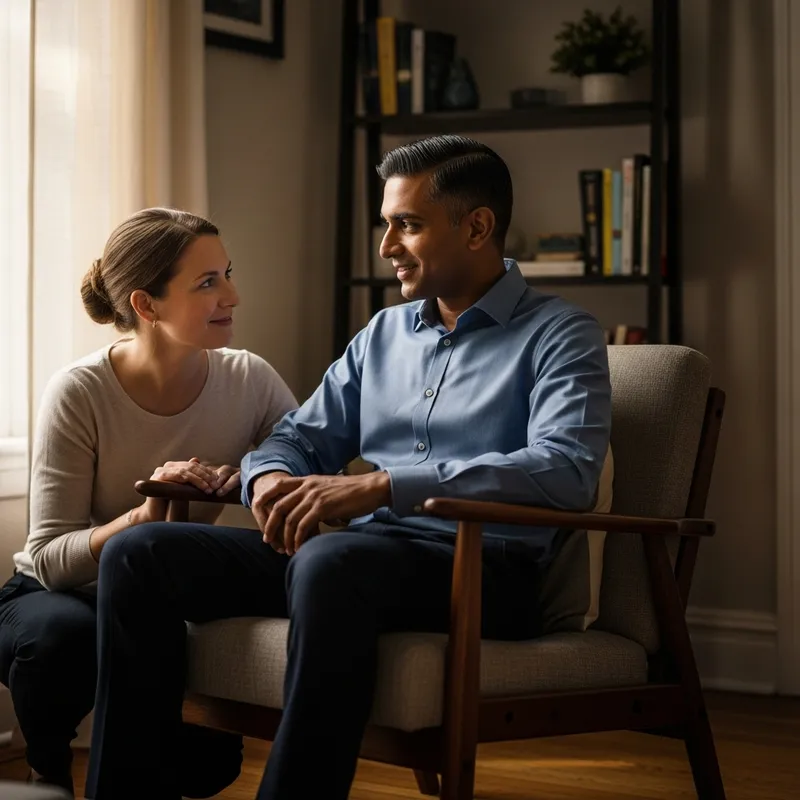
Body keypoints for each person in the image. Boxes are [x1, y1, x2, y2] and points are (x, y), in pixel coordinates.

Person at [84, 135, 612, 800]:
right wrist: (271, 478)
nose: (387, 246)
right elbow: (294, 438)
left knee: (329, 562)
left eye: (408, 225)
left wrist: (385, 486)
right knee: (139, 553)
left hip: (484, 575)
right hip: (356, 561)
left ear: (478, 227)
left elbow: (566, 470)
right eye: (386, 224)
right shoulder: (383, 336)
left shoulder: (561, 335)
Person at [0, 208, 298, 797]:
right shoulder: (80, 390)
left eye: (227, 273)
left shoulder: (250, 379)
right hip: (58, 595)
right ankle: (48, 771)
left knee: (208, 769)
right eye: (207, 282)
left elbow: (314, 476)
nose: (232, 295)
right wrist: (142, 518)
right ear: (147, 304)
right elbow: (51, 559)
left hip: (163, 595)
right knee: (61, 641)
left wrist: (245, 476)